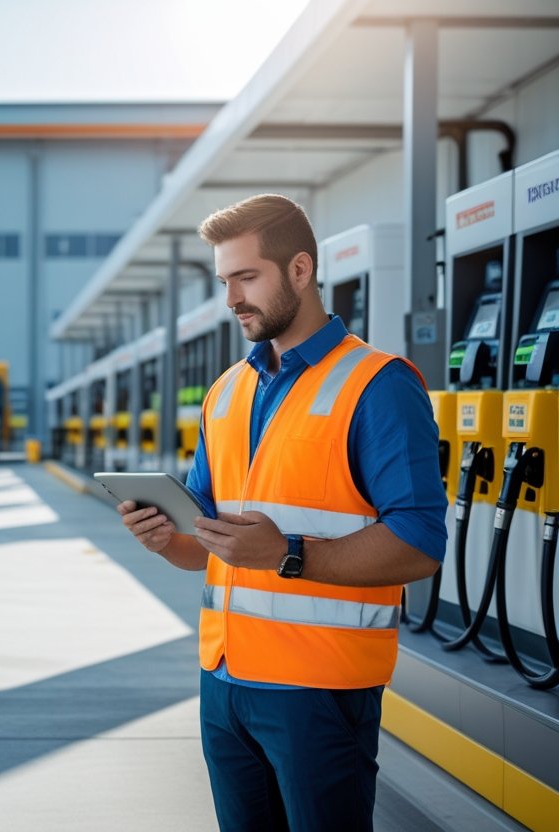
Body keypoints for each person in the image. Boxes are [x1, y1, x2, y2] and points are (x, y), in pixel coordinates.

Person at [118, 194, 447, 831]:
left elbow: (419, 544)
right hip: (226, 683)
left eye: (247, 277)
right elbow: (203, 542)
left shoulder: (379, 385)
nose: (233, 298)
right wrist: (164, 538)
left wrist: (289, 553)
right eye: (225, 281)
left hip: (320, 688)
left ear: (300, 270)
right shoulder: (226, 392)